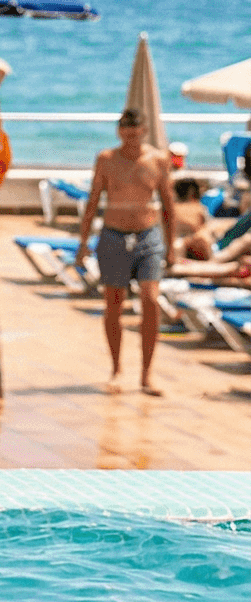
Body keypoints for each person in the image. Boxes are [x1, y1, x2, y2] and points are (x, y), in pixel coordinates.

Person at [79, 109, 177, 395]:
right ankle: (116, 369)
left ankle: (147, 375)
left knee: (150, 300)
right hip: (113, 235)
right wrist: (83, 241)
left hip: (148, 236)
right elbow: (93, 200)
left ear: (145, 131)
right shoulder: (107, 159)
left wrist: (172, 247)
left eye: (136, 133)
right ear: (119, 132)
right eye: (126, 133)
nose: (131, 138)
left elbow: (169, 205)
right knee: (114, 304)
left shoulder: (157, 160)